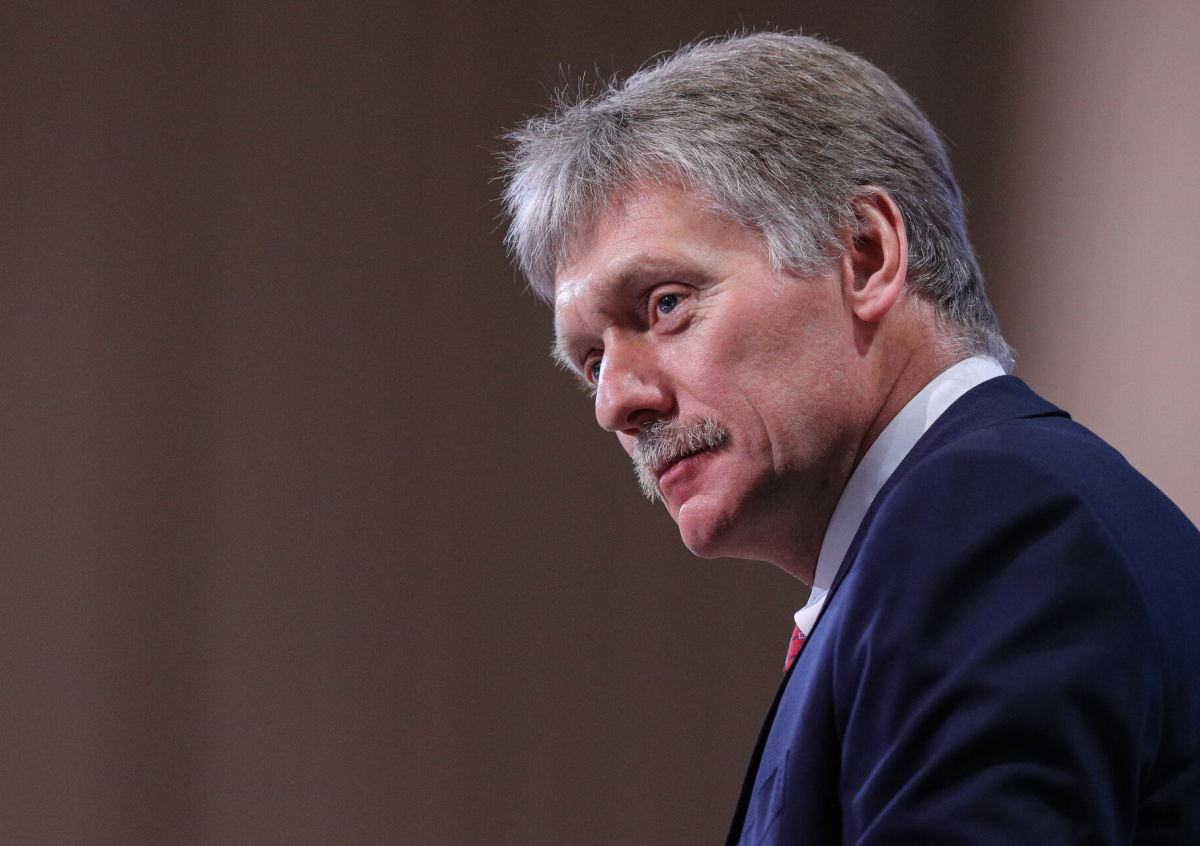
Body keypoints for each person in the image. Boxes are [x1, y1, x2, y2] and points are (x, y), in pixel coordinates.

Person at [500, 31, 1200, 845]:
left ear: (866, 255)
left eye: (665, 305)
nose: (615, 403)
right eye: (592, 362)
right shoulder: (960, 535)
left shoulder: (990, 526)